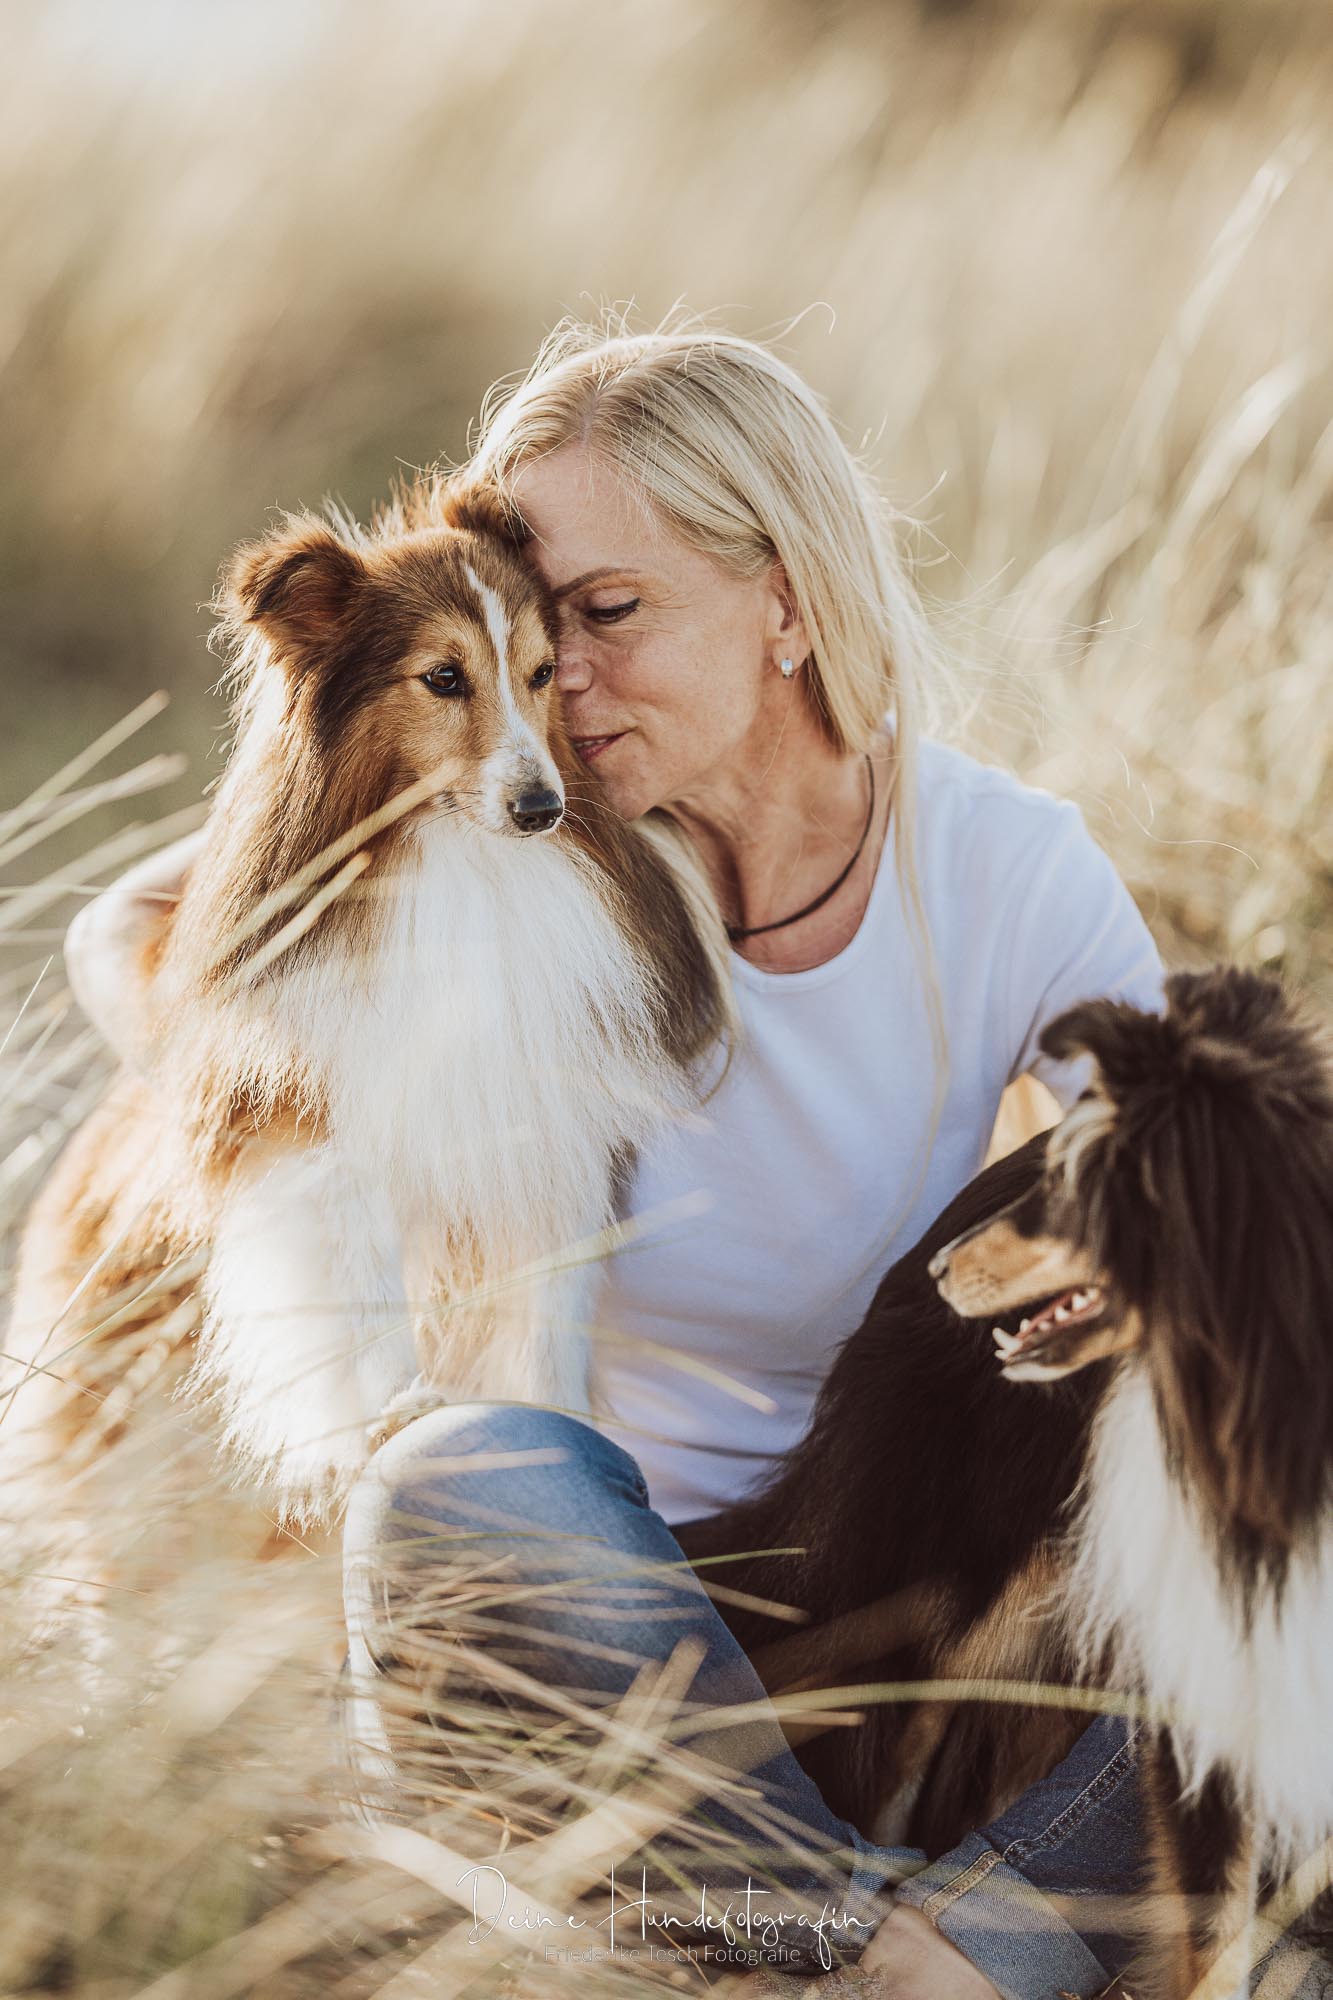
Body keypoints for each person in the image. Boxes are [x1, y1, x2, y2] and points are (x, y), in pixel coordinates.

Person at [62, 318, 1328, 1999]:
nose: (549, 690)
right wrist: (302, 1113)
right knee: (457, 1476)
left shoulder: (1003, 871)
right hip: (568, 1618)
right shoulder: (509, 836)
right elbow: (144, 928)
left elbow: (1212, 1189)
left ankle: (914, 1949)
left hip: (878, 1610)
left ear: (787, 601)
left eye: (602, 618)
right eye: (520, 635)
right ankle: (925, 1956)